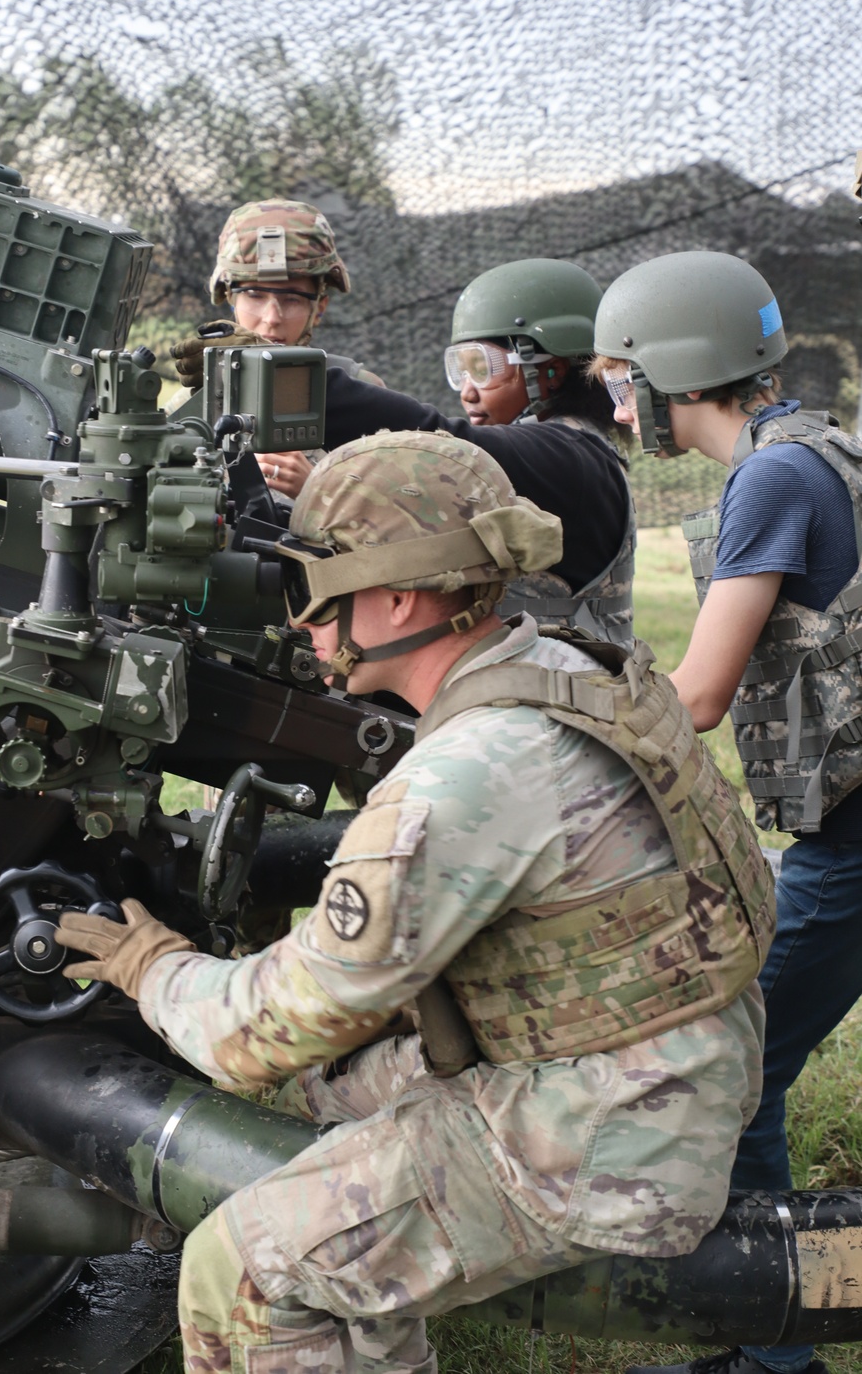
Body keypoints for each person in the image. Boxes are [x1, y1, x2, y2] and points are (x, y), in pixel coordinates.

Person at [56, 428, 772, 1374]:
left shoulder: (470, 772)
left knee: (244, 1265)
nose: (302, 621)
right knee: (319, 1100)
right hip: (658, 1055)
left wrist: (154, 968)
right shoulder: (564, 666)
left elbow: (257, 1033)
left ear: (401, 596)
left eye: (313, 588)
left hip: (610, 1129)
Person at [592, 248, 862, 1374]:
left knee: (733, 1064)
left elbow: (693, 695)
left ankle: (764, 1347)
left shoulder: (769, 480)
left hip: (856, 843)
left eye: (620, 377)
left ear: (672, 375)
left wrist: (549, 713)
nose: (614, 402)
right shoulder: (824, 441)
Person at [251, 257, 637, 644]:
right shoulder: (570, 454)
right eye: (460, 369)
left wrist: (278, 373)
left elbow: (440, 440)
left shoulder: (572, 458)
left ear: (551, 371)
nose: (468, 391)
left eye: (482, 368)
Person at [169, 195, 382, 400]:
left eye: (292, 298)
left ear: (318, 309)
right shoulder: (194, 401)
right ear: (231, 300)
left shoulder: (358, 393)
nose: (272, 318)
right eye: (254, 296)